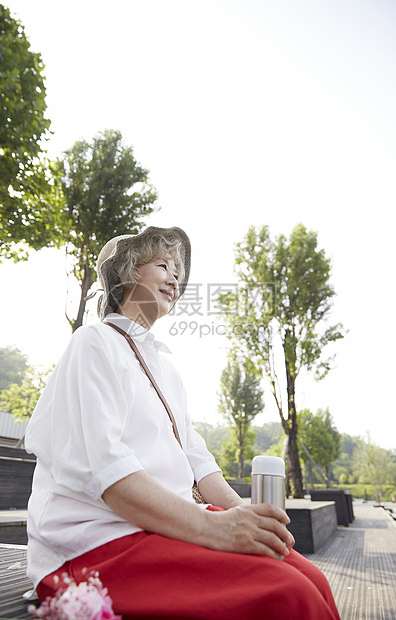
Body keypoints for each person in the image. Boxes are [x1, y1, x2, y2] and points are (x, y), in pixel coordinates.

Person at [25, 226, 340, 620]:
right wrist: (221, 529)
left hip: (161, 526)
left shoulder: (166, 368)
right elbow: (110, 475)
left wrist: (248, 517)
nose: (174, 276)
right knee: (290, 593)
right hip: (96, 542)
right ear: (126, 274)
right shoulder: (93, 342)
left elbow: (199, 463)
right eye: (162, 264)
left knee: (309, 574)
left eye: (177, 269)